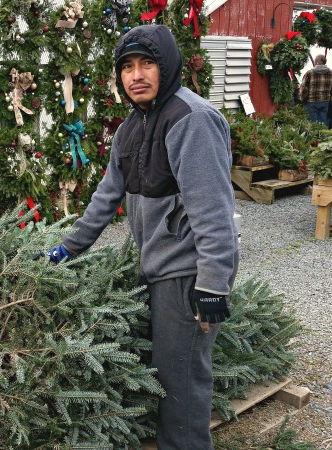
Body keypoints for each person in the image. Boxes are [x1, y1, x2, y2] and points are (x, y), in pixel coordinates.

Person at [46, 25, 238, 449]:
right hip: (153, 265)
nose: (136, 75)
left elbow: (213, 212)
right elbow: (106, 194)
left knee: (181, 380)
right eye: (127, 67)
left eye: (147, 64)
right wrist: (68, 246)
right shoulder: (132, 126)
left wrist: (212, 284)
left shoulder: (192, 119)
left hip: (186, 273)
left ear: (166, 67)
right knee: (165, 372)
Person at [299, 55, 332, 126]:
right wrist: (330, 99)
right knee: (323, 123)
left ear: (316, 61)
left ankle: (313, 136)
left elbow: (303, 88)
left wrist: (302, 99)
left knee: (311, 124)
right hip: (325, 101)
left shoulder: (309, 73)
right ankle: (322, 136)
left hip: (311, 102)